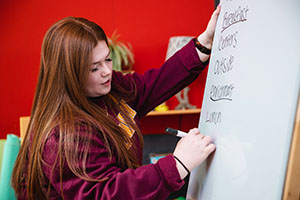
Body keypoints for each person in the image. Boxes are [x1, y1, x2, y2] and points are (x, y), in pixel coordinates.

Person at [12, 5, 221, 200]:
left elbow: (150, 85)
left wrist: (204, 44)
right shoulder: (64, 135)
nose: (107, 71)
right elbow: (107, 193)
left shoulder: (109, 88)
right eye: (94, 68)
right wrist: (177, 165)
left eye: (108, 59)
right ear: (69, 75)